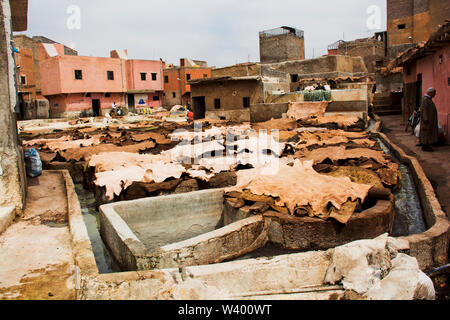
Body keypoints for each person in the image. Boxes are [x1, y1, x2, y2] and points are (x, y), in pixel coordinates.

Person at [419, 88, 439, 152]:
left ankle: (427, 144)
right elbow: (424, 110)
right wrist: (426, 118)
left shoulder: (428, 99)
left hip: (429, 120)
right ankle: (425, 146)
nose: (435, 94)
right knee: (425, 132)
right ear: (430, 93)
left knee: (428, 132)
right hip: (427, 120)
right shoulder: (425, 100)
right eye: (434, 93)